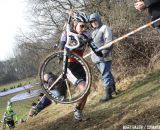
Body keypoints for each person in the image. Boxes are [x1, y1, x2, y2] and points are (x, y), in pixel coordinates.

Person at [60, 10, 103, 121]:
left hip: (81, 65)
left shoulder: (86, 34)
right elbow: (61, 47)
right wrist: (61, 54)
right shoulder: (67, 33)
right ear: (75, 24)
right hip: (70, 66)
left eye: (85, 26)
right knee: (83, 88)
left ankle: (79, 112)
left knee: (87, 91)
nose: (84, 29)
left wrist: (99, 52)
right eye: (82, 26)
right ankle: (76, 110)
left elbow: (94, 46)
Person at [89, 13, 116, 102]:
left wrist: (104, 53)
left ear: (98, 19)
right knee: (106, 74)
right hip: (96, 59)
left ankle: (108, 95)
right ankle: (113, 90)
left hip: (104, 56)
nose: (94, 23)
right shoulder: (93, 33)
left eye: (95, 20)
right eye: (92, 22)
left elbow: (109, 41)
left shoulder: (105, 28)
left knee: (105, 75)